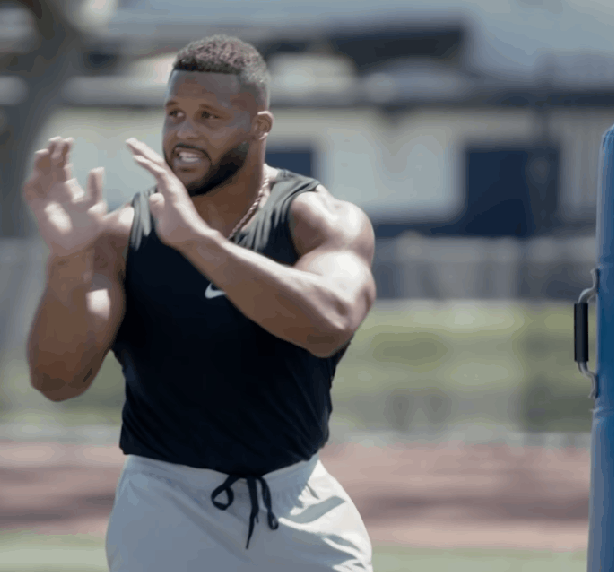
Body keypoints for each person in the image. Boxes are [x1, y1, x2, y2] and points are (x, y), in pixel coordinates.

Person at [22, 35, 377, 571]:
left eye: (209, 116)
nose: (185, 132)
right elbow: (58, 380)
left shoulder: (315, 219)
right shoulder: (123, 234)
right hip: (166, 504)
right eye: (175, 114)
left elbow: (330, 322)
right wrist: (68, 262)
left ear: (259, 126)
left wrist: (200, 244)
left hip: (297, 497)